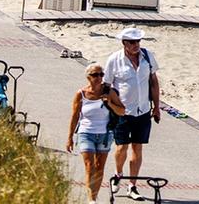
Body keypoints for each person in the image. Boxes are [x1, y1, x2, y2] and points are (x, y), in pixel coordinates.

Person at [103, 28, 161, 201]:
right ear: (124, 43)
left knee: (137, 147)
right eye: (132, 42)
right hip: (123, 112)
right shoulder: (114, 60)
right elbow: (107, 86)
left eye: (138, 42)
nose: (136, 45)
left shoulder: (147, 57)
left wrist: (157, 107)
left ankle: (132, 186)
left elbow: (154, 82)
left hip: (142, 110)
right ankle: (118, 174)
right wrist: (112, 107)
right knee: (122, 147)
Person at [68, 64, 127, 204]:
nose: (99, 78)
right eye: (95, 75)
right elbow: (75, 116)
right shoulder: (81, 94)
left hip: (105, 134)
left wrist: (110, 104)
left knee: (99, 167)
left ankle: (95, 195)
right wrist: (69, 137)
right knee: (90, 165)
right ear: (88, 77)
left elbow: (122, 111)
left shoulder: (110, 92)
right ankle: (91, 200)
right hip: (86, 132)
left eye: (101, 74)